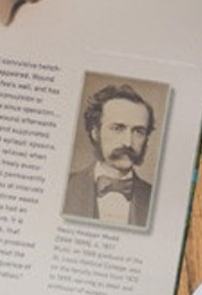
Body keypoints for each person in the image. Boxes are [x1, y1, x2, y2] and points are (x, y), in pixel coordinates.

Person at [61, 83, 156, 228]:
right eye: (117, 128)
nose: (128, 143)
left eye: (138, 132)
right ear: (95, 133)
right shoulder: (62, 187)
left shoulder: (154, 198)